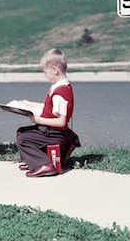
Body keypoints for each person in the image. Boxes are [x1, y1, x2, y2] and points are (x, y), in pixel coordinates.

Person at [16, 49, 81, 177]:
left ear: (54, 70)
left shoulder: (61, 92)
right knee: (22, 131)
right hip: (50, 130)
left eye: (45, 72)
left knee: (23, 139)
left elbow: (61, 121)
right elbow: (49, 108)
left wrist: (37, 120)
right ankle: (33, 161)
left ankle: (44, 165)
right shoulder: (60, 86)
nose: (45, 75)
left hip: (54, 133)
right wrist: (28, 104)